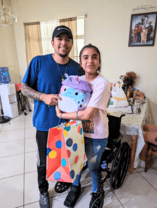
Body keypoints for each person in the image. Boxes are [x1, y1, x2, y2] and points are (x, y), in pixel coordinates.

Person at [21, 25, 80, 208]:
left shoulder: (77, 68)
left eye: (67, 39)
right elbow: (23, 87)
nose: (63, 42)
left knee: (68, 157)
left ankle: (70, 184)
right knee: (43, 160)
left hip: (69, 124)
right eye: (59, 38)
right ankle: (43, 191)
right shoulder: (39, 62)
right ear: (53, 42)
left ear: (71, 43)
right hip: (44, 123)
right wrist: (43, 96)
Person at [56, 44, 110, 208]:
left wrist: (61, 115)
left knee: (93, 166)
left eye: (94, 57)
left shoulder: (102, 83)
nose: (90, 61)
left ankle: (96, 191)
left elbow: (87, 114)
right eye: (85, 57)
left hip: (96, 135)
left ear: (99, 61)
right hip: (77, 132)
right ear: (80, 62)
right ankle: (75, 187)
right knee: (75, 161)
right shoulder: (76, 80)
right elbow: (66, 100)